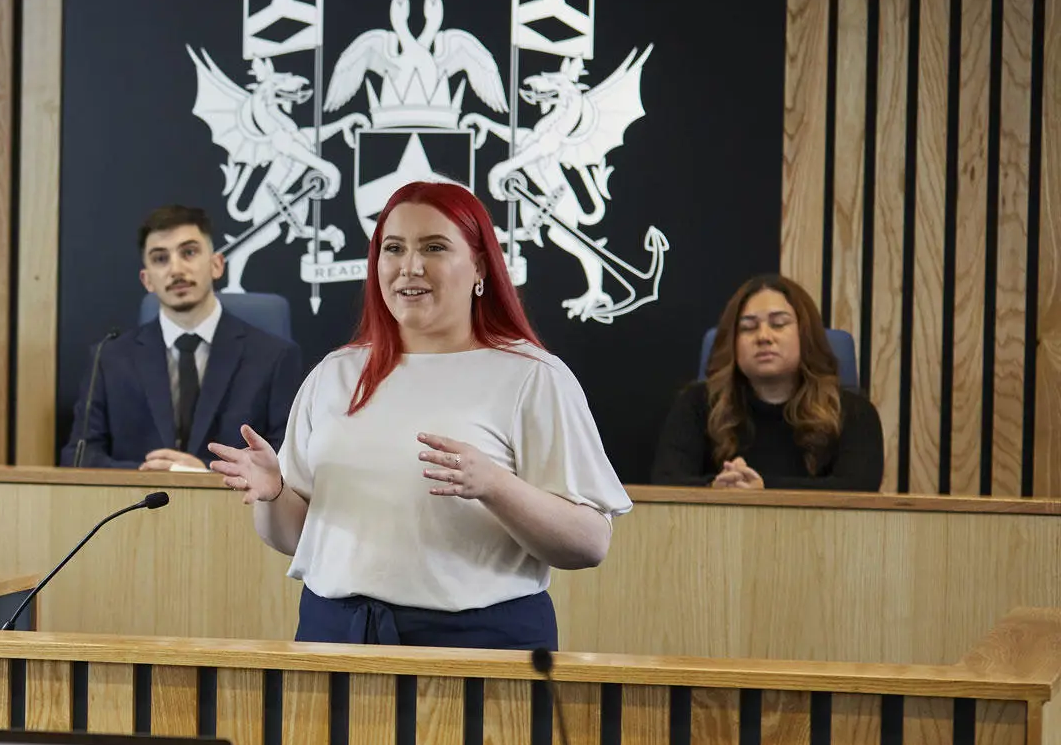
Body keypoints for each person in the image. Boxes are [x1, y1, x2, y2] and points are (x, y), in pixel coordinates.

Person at [208, 181, 630, 651]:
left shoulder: (533, 376)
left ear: (480, 267)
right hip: (335, 639)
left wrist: (495, 485)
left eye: (434, 247)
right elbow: (292, 538)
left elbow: (589, 543)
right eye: (394, 248)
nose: (409, 266)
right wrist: (274, 493)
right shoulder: (334, 373)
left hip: (477, 646)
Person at [61, 204, 304, 470]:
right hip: (139, 496)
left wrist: (201, 473)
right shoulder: (109, 359)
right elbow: (79, 457)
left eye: (189, 252)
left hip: (231, 497)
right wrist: (152, 475)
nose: (176, 269)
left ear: (216, 265)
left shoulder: (273, 358)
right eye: (160, 259)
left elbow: (288, 463)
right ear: (147, 280)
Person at [650, 274, 883, 490]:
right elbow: (666, 483)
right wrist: (717, 489)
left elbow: (857, 490)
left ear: (805, 334)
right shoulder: (697, 405)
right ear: (733, 342)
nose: (763, 337)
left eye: (778, 324)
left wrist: (763, 489)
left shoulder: (854, 413)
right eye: (748, 327)